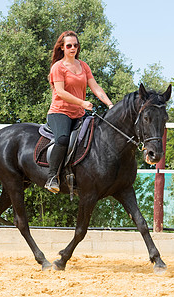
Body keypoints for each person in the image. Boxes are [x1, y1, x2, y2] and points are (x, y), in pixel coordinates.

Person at [45, 31, 113, 193]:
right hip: (59, 112)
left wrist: (110, 104)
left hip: (79, 114)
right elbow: (60, 92)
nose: (73, 48)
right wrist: (82, 102)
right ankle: (52, 177)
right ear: (62, 47)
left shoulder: (83, 66)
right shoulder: (58, 67)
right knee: (62, 140)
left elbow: (95, 87)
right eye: (69, 45)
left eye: (76, 45)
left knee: (95, 139)